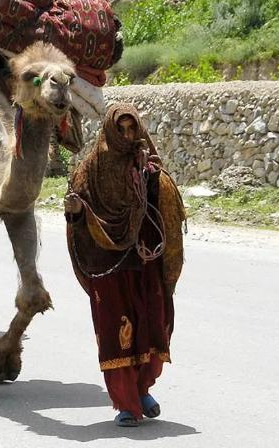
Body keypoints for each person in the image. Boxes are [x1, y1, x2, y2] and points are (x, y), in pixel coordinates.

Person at [64, 103, 185, 427]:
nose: (129, 135)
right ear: (110, 131)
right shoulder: (90, 170)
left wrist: (155, 178)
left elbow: (164, 212)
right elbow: (78, 217)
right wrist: (75, 211)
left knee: (151, 324)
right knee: (117, 332)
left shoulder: (147, 165)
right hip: (109, 265)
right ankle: (126, 404)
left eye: (133, 129)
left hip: (145, 260)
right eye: (122, 129)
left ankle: (143, 390)